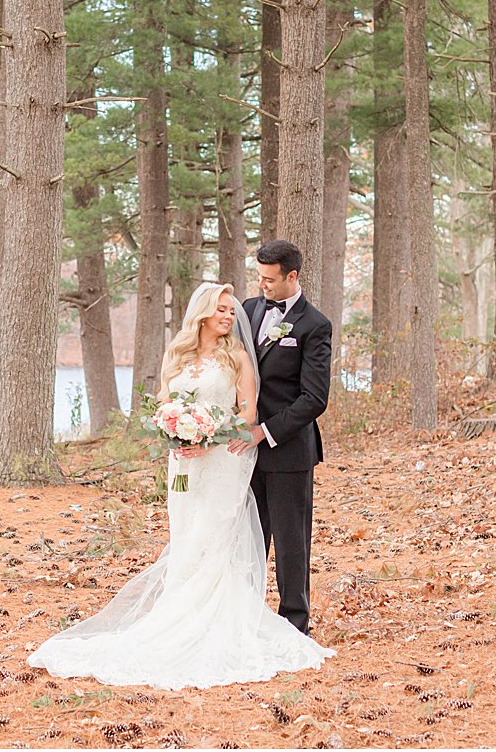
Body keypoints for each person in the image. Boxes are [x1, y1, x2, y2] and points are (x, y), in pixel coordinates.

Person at [26, 282, 333, 689]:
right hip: (184, 466)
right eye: (221, 310)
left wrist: (208, 436)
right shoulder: (177, 353)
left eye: (230, 310)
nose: (229, 316)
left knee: (216, 535)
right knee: (188, 536)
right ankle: (181, 613)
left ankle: (223, 619)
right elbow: (164, 405)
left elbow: (247, 412)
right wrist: (177, 435)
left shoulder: (238, 356)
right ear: (203, 312)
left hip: (224, 461)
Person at [229, 239, 333, 634]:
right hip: (243, 452)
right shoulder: (250, 310)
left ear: (293, 276)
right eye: (258, 277)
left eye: (270, 280)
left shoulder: (314, 325)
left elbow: (314, 398)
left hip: (288, 452)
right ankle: (244, 619)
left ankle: (294, 624)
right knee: (248, 539)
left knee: (291, 545)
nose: (262, 286)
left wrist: (265, 432)